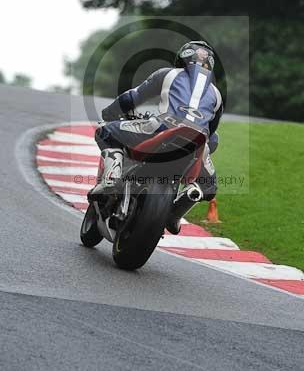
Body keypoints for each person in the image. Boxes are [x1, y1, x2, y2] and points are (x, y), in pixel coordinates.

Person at [87, 40, 223, 234]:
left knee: (105, 131)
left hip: (161, 126)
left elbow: (131, 98)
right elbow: (212, 136)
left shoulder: (167, 73)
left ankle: (111, 178)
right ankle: (177, 212)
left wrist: (110, 112)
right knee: (209, 188)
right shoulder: (217, 96)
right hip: (197, 141)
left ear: (182, 57)